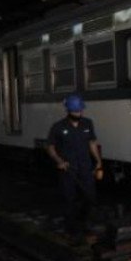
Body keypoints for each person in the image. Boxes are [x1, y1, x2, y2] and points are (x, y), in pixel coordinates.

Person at [47, 93, 104, 242]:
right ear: (68, 111)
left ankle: (84, 223)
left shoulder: (87, 124)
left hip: (85, 166)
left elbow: (92, 143)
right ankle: (70, 229)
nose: (78, 114)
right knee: (69, 199)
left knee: (90, 196)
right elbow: (51, 147)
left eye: (80, 111)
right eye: (75, 112)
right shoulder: (58, 127)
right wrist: (59, 160)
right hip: (68, 169)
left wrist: (98, 161)